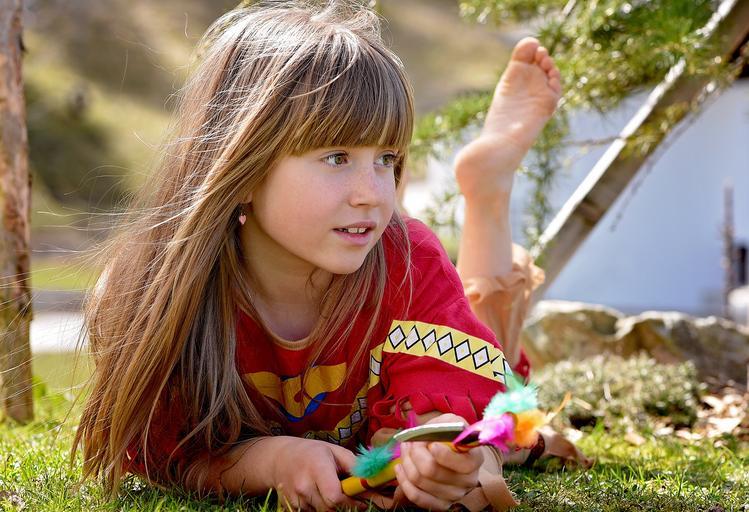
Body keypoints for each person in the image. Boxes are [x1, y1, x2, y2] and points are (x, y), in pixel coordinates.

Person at [72, 2, 583, 511]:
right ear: (243, 169)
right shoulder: (154, 292)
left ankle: (488, 192)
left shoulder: (408, 261)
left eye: (387, 159)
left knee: (496, 372)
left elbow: (458, 412)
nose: (373, 193)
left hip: (420, 318)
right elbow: (167, 451)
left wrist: (439, 451)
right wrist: (271, 461)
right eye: (336, 157)